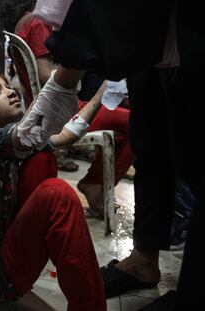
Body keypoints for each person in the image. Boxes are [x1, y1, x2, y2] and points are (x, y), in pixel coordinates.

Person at [18, 0, 205, 309]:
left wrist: (62, 85)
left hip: (190, 31)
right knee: (147, 139)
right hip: (151, 40)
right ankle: (144, 258)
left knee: (193, 154)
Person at [0, 68, 107, 311]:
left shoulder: (5, 146)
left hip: (2, 246)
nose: (10, 92)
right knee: (56, 194)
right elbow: (30, 132)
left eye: (8, 86)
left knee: (42, 157)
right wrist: (73, 64)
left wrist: (106, 88)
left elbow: (66, 135)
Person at [14, 7, 134, 218]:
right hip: (58, 109)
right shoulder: (39, 22)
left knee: (128, 124)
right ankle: (96, 184)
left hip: (51, 106)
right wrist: (81, 61)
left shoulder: (28, 21)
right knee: (141, 124)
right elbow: (45, 76)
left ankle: (95, 183)